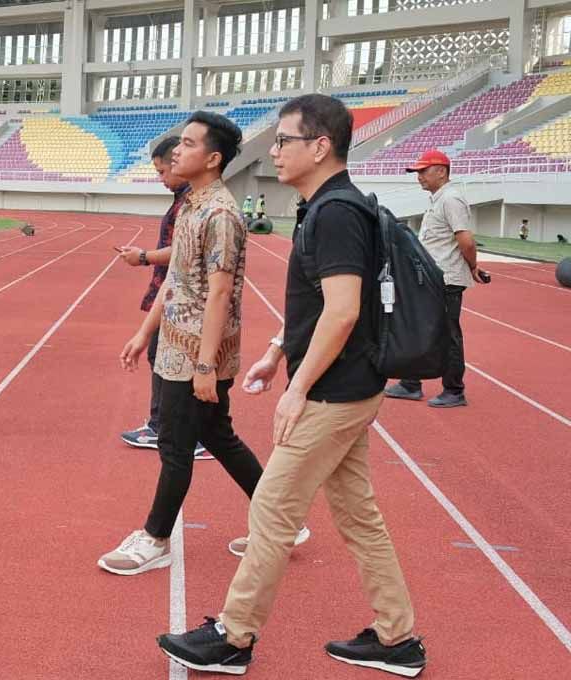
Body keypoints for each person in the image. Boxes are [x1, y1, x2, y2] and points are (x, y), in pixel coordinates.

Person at [156, 94, 425, 678]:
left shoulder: (334, 213)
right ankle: (397, 637)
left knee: (273, 510)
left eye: (284, 141)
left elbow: (345, 311)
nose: (273, 151)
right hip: (350, 385)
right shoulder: (326, 206)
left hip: (335, 392)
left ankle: (234, 634)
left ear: (320, 146)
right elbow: (321, 308)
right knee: (359, 517)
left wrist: (298, 387)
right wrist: (280, 350)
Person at [99, 111, 308, 576]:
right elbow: (176, 278)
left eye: (189, 144)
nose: (177, 150)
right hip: (176, 343)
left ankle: (155, 539)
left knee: (175, 445)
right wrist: (144, 332)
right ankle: (283, 522)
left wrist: (206, 365)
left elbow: (219, 291)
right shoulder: (192, 204)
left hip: (196, 352)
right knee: (217, 434)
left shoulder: (221, 213)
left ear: (213, 159)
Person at [117, 138, 211, 461]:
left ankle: (169, 426)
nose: (161, 178)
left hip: (178, 297)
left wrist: (143, 256)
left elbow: (182, 253)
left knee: (167, 359)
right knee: (161, 356)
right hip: (169, 293)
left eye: (162, 171)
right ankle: (167, 425)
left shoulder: (193, 204)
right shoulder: (183, 201)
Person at [383, 149, 476, 408]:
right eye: (417, 172)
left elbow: (465, 241)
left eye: (423, 171)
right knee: (417, 327)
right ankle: (411, 383)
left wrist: (474, 265)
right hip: (433, 278)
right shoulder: (439, 199)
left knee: (448, 334)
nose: (419, 176)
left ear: (441, 171)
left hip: (446, 279)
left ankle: (454, 390)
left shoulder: (451, 199)